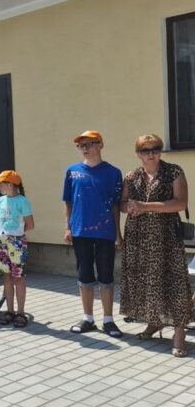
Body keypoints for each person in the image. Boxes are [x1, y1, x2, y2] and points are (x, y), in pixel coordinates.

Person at [120, 134, 191, 357]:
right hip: (138, 237)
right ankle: (155, 322)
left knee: (174, 282)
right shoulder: (131, 176)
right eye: (145, 150)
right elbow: (121, 204)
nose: (151, 153)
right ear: (138, 154)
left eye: (155, 149)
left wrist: (145, 206)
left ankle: (179, 334)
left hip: (166, 237)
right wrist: (129, 207)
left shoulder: (174, 171)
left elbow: (181, 202)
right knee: (146, 282)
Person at [63, 130, 124, 338]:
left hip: (105, 232)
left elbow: (116, 205)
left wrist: (118, 234)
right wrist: (68, 227)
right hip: (80, 231)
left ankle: (108, 320)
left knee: (106, 276)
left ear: (100, 145)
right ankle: (88, 318)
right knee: (84, 275)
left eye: (90, 143)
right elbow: (68, 202)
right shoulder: (72, 171)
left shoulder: (113, 172)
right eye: (81, 145)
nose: (85, 148)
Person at [0, 171, 34, 328]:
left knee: (18, 277)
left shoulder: (23, 201)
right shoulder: (0, 200)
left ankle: (21, 313)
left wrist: (17, 234)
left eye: (1, 184)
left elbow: (30, 224)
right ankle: (10, 311)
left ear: (11, 185)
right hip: (1, 241)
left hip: (16, 243)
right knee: (7, 277)